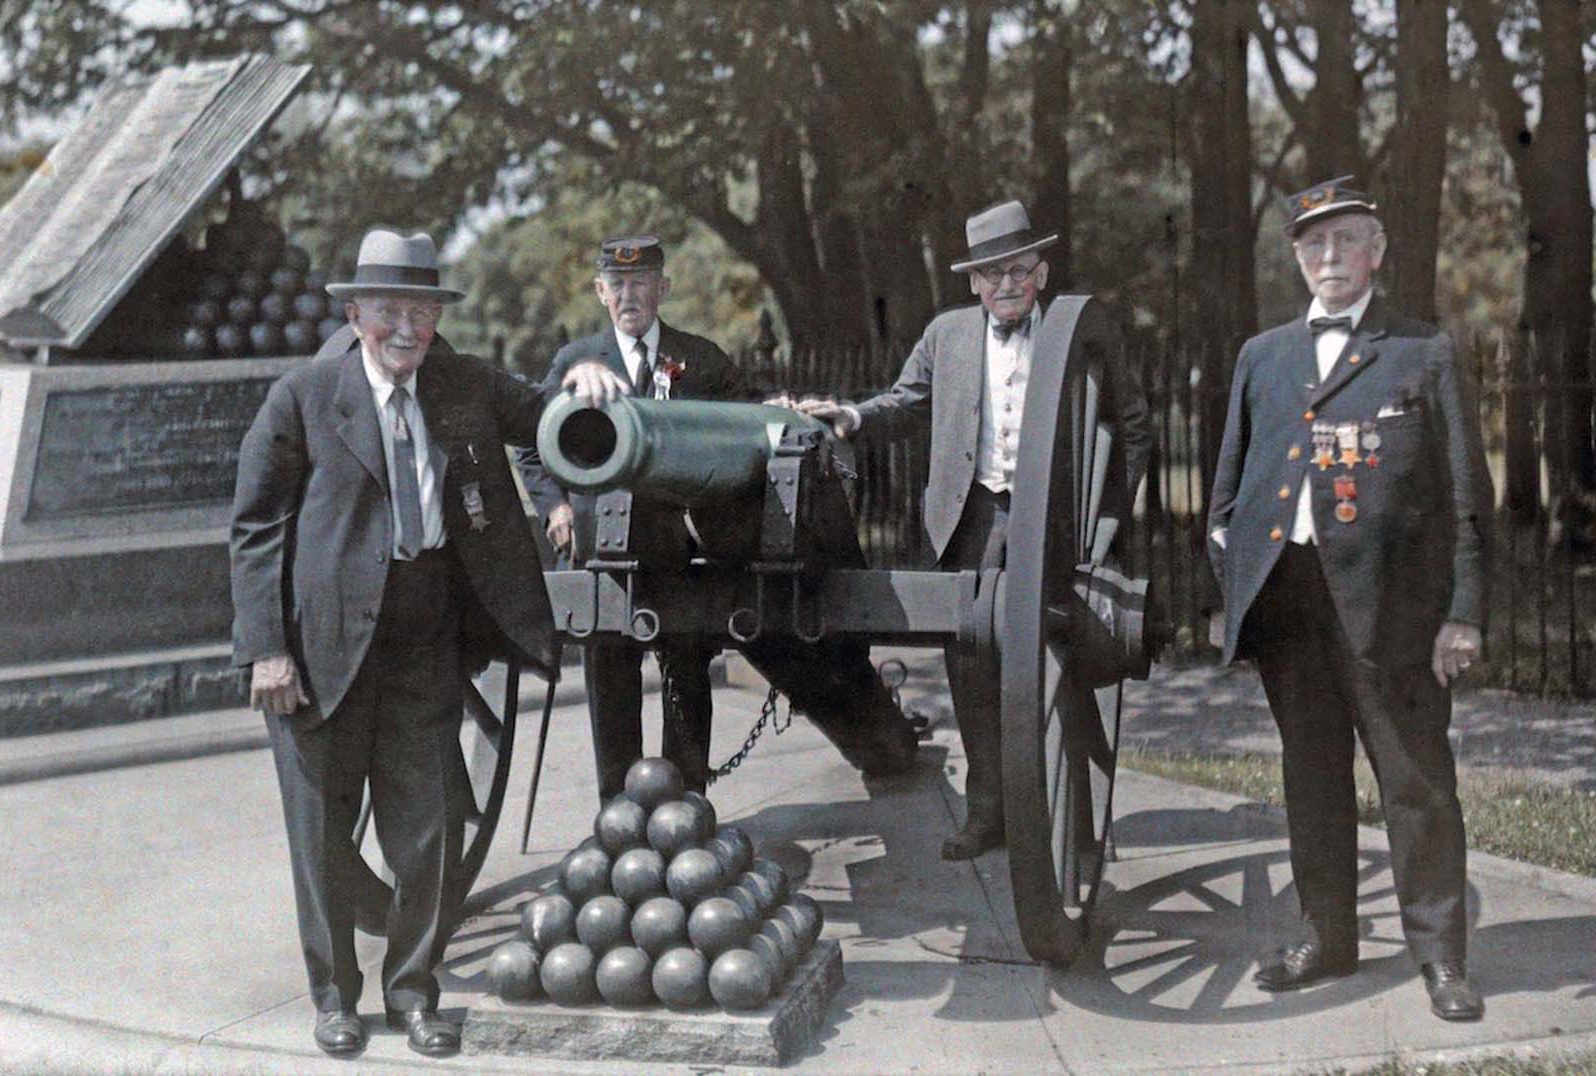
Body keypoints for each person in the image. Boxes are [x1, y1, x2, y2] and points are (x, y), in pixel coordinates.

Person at [230, 229, 625, 1058]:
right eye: (389, 313)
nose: (406, 330)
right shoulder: (303, 396)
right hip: (319, 646)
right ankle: (336, 998)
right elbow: (257, 529)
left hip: (423, 632)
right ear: (355, 314)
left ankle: (413, 992)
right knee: (322, 834)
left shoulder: (461, 383)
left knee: (428, 829)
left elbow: (545, 411)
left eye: (421, 312)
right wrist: (266, 648)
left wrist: (587, 383)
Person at [1206, 177, 1492, 1021]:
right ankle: (1327, 938)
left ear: (1376, 252)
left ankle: (1441, 958)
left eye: (1346, 242)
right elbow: (1229, 491)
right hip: (1292, 605)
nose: (1329, 259)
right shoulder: (1263, 356)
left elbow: (1465, 497)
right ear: (1297, 258)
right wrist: (1233, 583)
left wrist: (1464, 611)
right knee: (1311, 777)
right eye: (1313, 246)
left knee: (1416, 783)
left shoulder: (1422, 351)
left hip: (1394, 612)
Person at [800, 200, 1151, 860]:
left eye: (1018, 270)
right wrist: (850, 415)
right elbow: (905, 405)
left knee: (1057, 665)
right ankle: (988, 813)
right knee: (972, 670)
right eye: (992, 274)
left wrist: (1105, 520)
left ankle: (1071, 827)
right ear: (972, 282)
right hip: (971, 519)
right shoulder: (948, 336)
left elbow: (1132, 426)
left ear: (1041, 273)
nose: (1007, 285)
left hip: (1053, 522)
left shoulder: (1081, 334)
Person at [518, 235, 747, 800]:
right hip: (603, 550)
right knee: (610, 677)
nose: (629, 294)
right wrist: (557, 507)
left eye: (641, 281)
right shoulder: (575, 363)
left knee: (687, 670)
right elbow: (531, 445)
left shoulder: (703, 360)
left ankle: (689, 805)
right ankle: (614, 813)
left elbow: (746, 434)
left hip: (682, 548)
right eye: (616, 284)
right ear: (600, 292)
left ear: (663, 288)